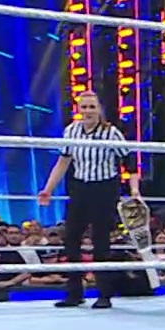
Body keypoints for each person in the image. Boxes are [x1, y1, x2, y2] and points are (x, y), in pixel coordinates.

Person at [36, 91, 143, 309]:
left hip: (104, 188)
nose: (88, 111)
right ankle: (75, 293)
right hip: (80, 187)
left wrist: (134, 190)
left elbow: (130, 162)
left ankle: (104, 294)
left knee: (100, 240)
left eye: (92, 107)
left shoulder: (111, 133)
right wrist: (48, 189)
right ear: (78, 109)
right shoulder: (71, 131)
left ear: (99, 109)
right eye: (84, 107)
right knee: (71, 238)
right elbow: (63, 162)